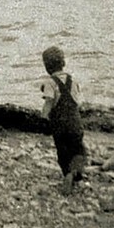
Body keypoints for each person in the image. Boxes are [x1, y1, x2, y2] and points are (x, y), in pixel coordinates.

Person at [40, 46, 87, 191]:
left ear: (47, 67)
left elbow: (49, 103)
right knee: (78, 149)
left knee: (62, 151)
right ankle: (76, 174)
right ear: (63, 63)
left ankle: (67, 173)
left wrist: (43, 118)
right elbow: (78, 102)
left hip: (59, 125)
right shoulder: (73, 80)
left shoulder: (50, 82)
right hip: (75, 122)